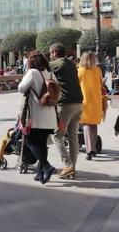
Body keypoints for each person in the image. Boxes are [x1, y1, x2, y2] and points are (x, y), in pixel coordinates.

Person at [17, 52, 58, 184]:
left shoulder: (33, 72)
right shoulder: (51, 74)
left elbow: (21, 88)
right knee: (42, 144)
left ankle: (46, 167)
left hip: (37, 116)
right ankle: (40, 173)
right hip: (50, 115)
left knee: (30, 141)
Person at [49, 43, 83, 180]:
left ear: (55, 52)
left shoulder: (55, 64)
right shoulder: (71, 63)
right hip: (79, 103)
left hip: (65, 106)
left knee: (57, 135)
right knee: (73, 136)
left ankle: (67, 164)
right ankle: (72, 168)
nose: (50, 56)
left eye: (51, 53)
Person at [77, 51, 105, 161]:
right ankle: (93, 147)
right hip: (96, 100)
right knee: (93, 125)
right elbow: (101, 83)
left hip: (85, 101)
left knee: (86, 125)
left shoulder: (80, 71)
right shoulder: (97, 70)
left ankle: (90, 150)